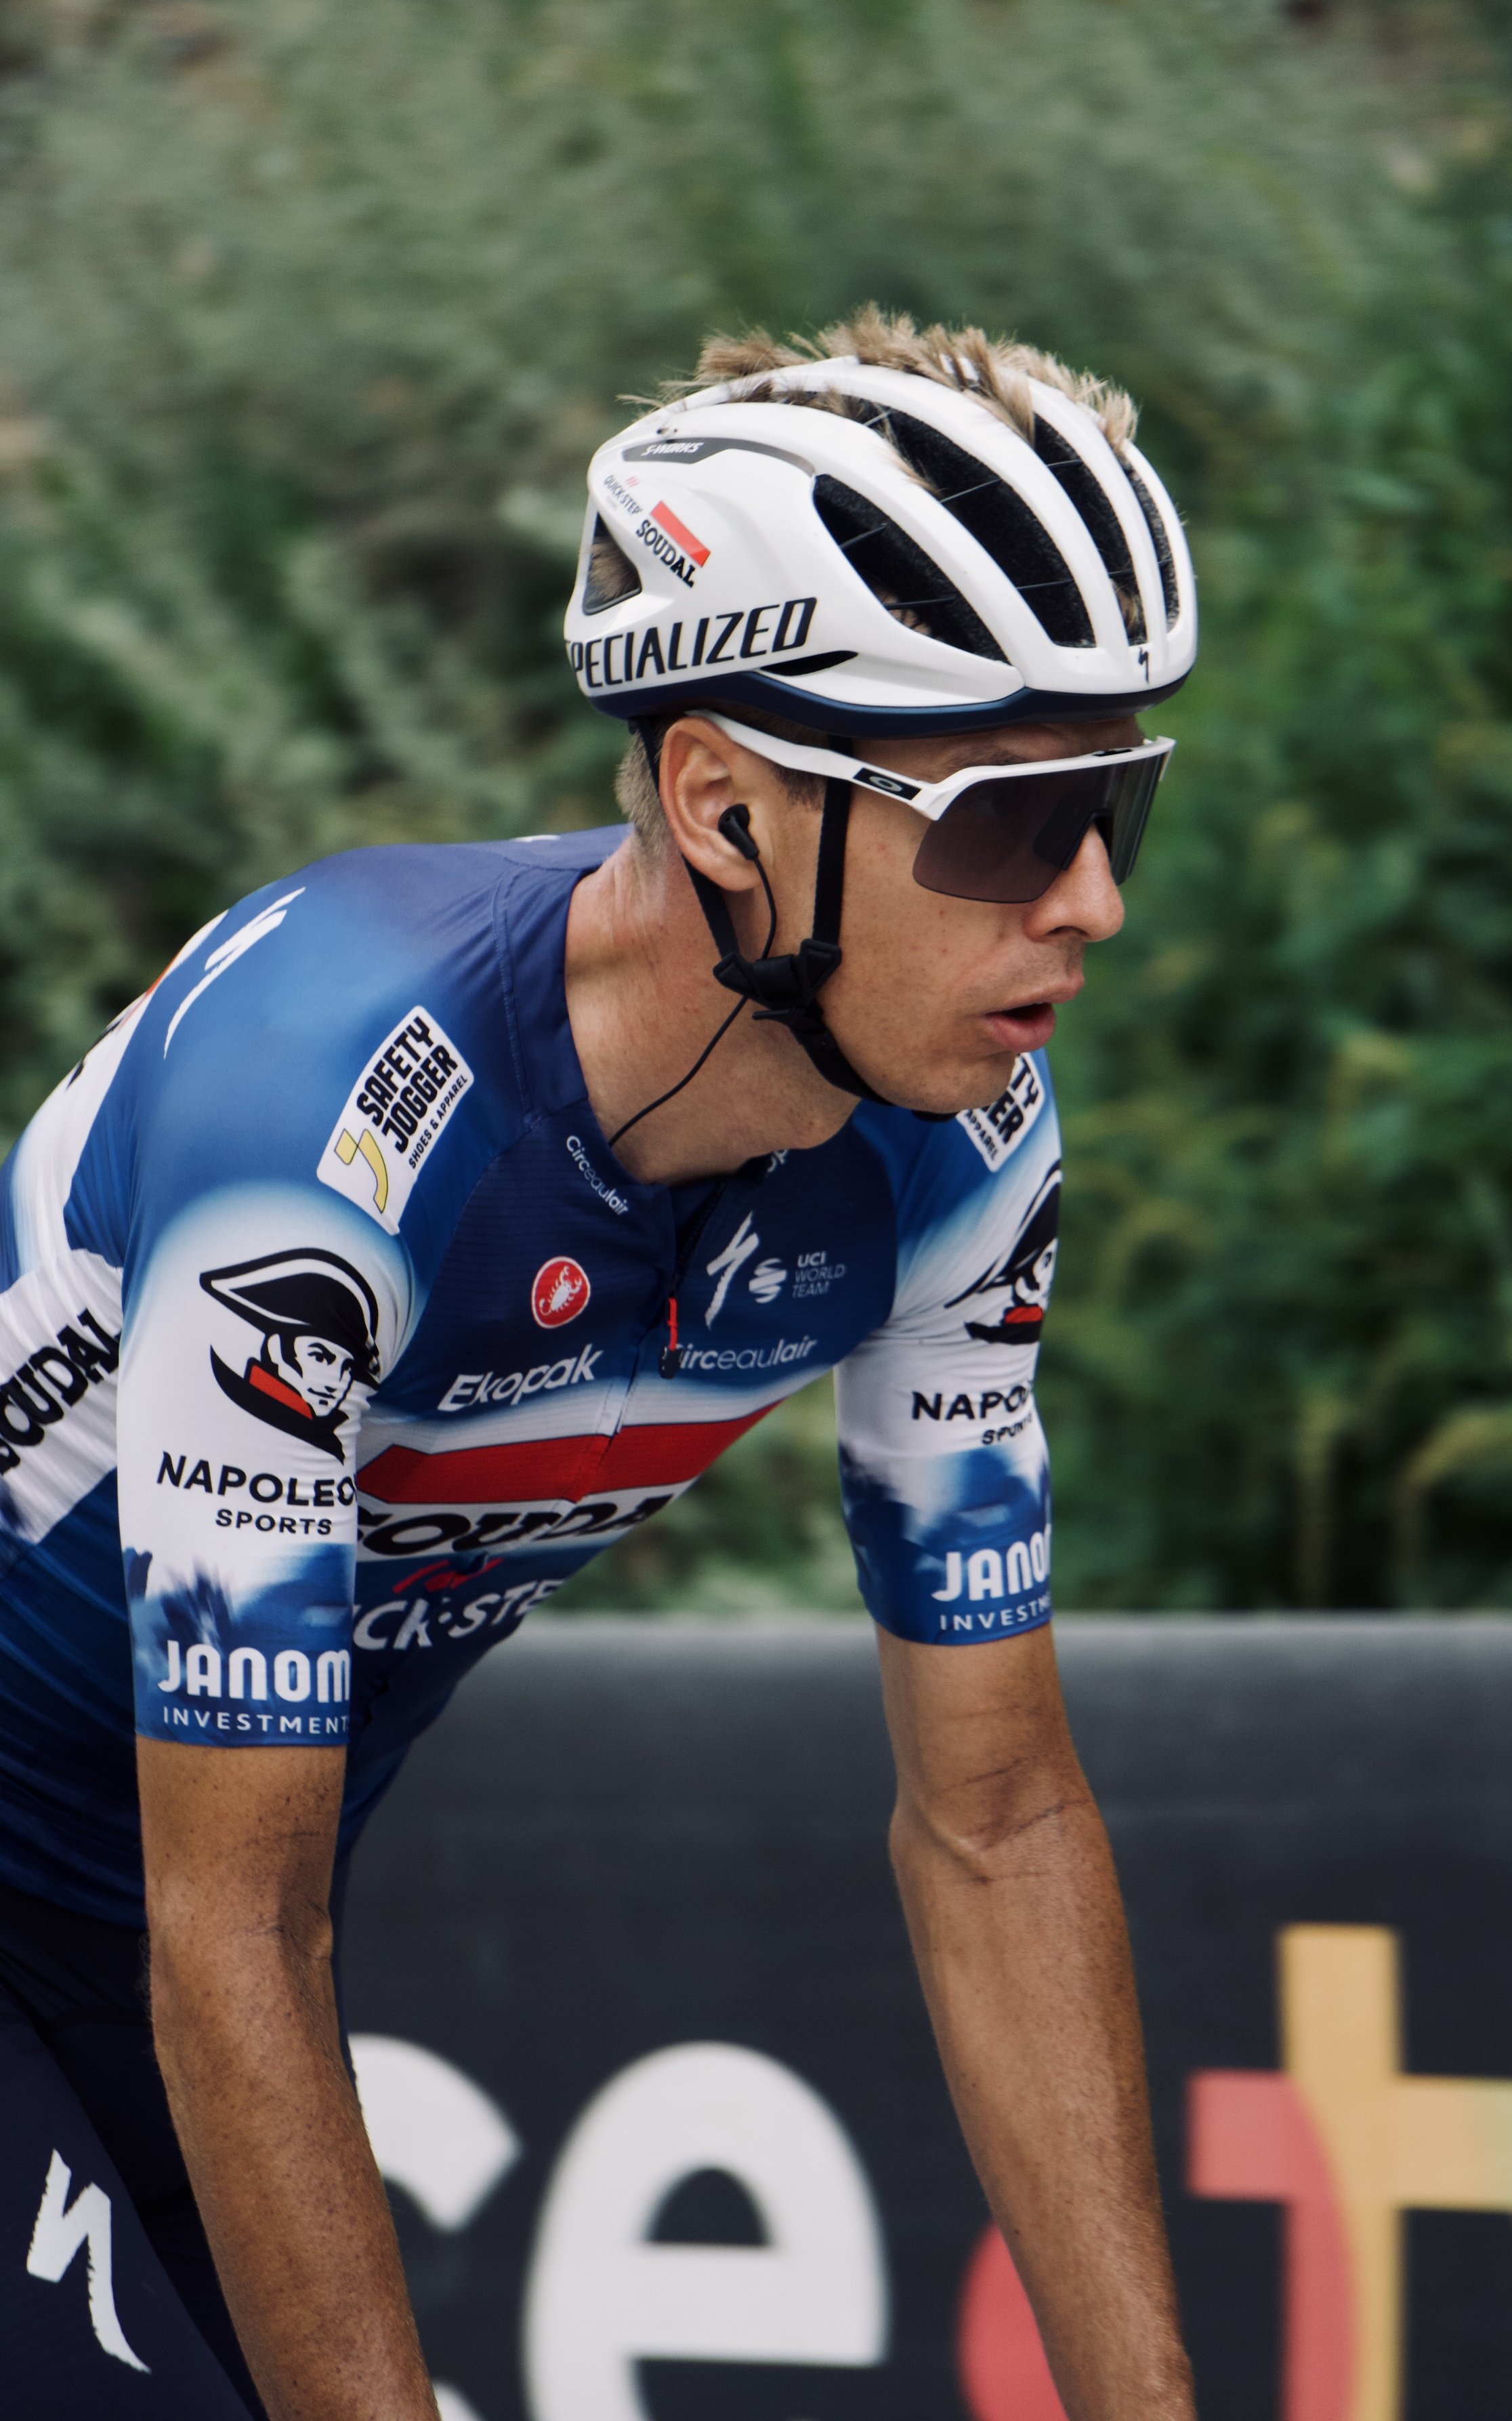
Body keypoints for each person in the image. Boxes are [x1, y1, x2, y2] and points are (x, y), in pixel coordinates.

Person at [0, 308, 1198, 2420]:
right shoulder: (326, 1141)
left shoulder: (962, 1161)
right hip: (179, 1924)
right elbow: (241, 1924)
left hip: (146, 1955)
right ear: (724, 808)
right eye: (1014, 824)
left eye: (1124, 803)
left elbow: (997, 1824)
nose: (1091, 901)